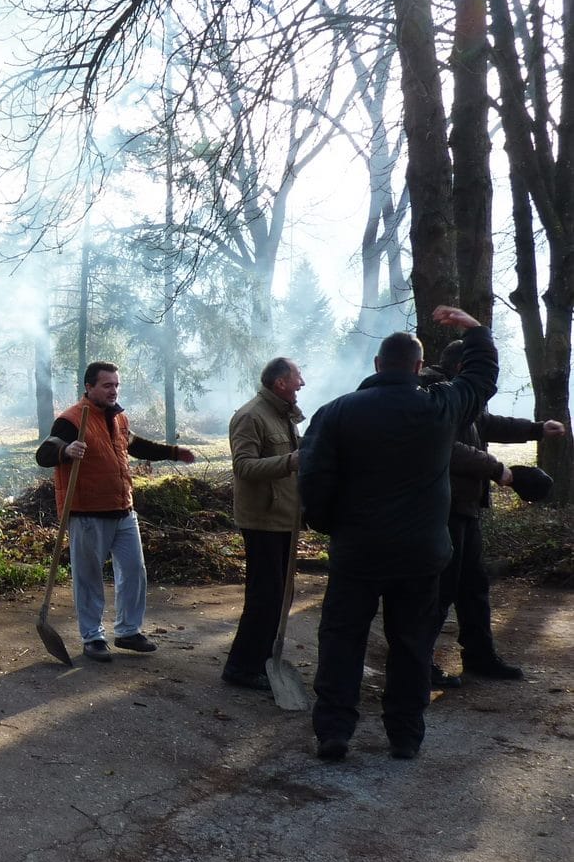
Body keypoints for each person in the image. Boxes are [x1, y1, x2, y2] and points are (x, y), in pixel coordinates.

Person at [299, 306, 497, 762]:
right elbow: (482, 379)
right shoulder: (440, 407)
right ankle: (405, 735)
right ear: (416, 367)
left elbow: (313, 476)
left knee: (342, 640)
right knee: (412, 643)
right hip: (420, 555)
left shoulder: (336, 412)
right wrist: (476, 332)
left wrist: (328, 524)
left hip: (357, 551)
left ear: (376, 366)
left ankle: (334, 731)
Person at [420, 340, 566, 686]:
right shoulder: (433, 394)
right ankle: (417, 662)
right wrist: (499, 470)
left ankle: (480, 656)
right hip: (442, 508)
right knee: (441, 589)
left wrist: (535, 429)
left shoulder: (462, 398)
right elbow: (447, 448)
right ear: (462, 368)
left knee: (473, 586)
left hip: (464, 507)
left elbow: (486, 423)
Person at [35, 361, 197, 662]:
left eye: (116, 385)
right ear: (89, 387)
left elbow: (134, 445)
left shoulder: (118, 417)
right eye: (107, 385)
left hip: (123, 509)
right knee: (89, 577)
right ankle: (93, 637)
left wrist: (173, 452)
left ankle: (128, 631)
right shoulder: (71, 420)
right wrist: (66, 451)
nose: (113, 390)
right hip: (86, 512)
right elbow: (44, 453)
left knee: (134, 570)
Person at [222, 357, 305, 691]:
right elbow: (243, 466)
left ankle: (261, 660)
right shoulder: (250, 416)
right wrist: (290, 461)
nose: (302, 383)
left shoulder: (282, 414)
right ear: (280, 382)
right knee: (265, 595)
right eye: (297, 377)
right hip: (262, 520)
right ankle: (241, 667)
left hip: (284, 517)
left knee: (280, 594)